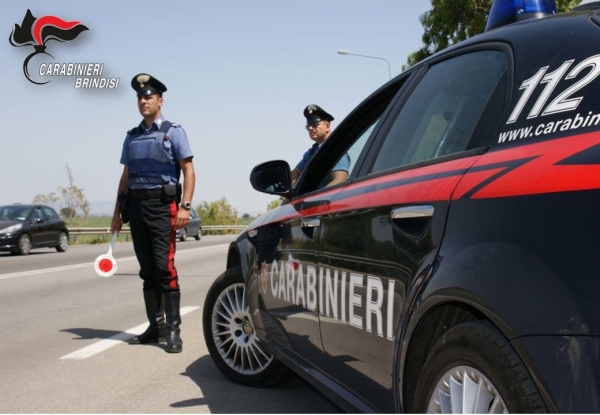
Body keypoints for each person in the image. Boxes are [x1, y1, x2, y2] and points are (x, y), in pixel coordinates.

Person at [110, 73, 195, 354]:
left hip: (163, 207)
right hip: (136, 207)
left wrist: (185, 206)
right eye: (139, 97)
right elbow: (126, 176)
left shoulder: (173, 131)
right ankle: (155, 327)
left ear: (160, 100)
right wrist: (116, 212)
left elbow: (188, 170)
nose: (143, 101)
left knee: (164, 268)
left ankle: (173, 332)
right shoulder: (132, 136)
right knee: (147, 271)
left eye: (148, 96)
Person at [291, 104, 350, 187]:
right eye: (309, 126)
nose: (311, 128)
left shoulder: (336, 150)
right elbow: (295, 173)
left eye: (315, 124)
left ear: (327, 126)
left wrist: (319, 197)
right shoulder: (311, 153)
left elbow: (340, 180)